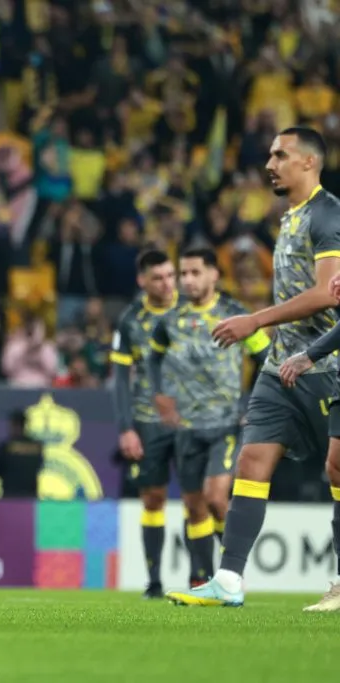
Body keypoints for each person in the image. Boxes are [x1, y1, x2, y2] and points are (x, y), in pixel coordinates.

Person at [168, 126, 340, 608]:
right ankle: (229, 578)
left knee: (337, 470)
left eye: (281, 155)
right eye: (269, 154)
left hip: (328, 364)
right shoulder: (289, 218)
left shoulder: (328, 215)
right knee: (251, 462)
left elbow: (328, 293)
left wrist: (256, 320)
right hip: (279, 365)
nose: (270, 164)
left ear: (309, 162)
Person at [148, 248, 269, 585]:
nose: (187, 280)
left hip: (226, 425)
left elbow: (266, 357)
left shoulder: (234, 315)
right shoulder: (170, 320)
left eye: (195, 272)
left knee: (216, 499)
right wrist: (160, 395)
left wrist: (253, 404)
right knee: (193, 506)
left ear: (214, 274)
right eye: (183, 273)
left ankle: (232, 572)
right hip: (186, 426)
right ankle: (200, 579)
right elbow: (154, 359)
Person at [109, 249, 179, 599]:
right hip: (148, 421)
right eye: (158, 278)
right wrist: (126, 427)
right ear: (142, 281)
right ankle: (154, 582)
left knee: (207, 499)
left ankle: (211, 577)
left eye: (171, 276)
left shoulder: (195, 309)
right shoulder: (129, 320)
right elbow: (121, 379)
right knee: (153, 498)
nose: (167, 284)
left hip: (195, 420)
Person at [0, 410, 44, 499]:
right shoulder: (36, 446)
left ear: (13, 425)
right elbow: (40, 466)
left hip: (10, 497)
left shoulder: (5, 446)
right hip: (30, 497)